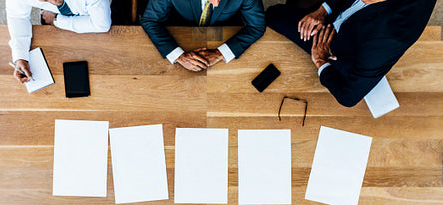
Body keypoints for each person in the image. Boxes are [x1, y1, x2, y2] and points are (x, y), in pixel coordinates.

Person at [265, 0, 437, 107]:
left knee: (274, 17)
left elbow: (348, 97)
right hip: (341, 12)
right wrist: (322, 11)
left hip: (337, 45)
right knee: (273, 14)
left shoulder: (384, 39)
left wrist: (321, 60)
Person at [141, 0, 266, 72]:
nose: (217, 4)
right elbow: (151, 20)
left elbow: (257, 26)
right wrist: (179, 56)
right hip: (179, 32)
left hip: (225, 34)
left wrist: (220, 53)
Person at [7, 0, 111, 84]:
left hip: (91, 13)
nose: (54, 0)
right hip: (54, 14)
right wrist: (21, 57)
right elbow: (17, 16)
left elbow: (101, 25)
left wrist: (57, 20)